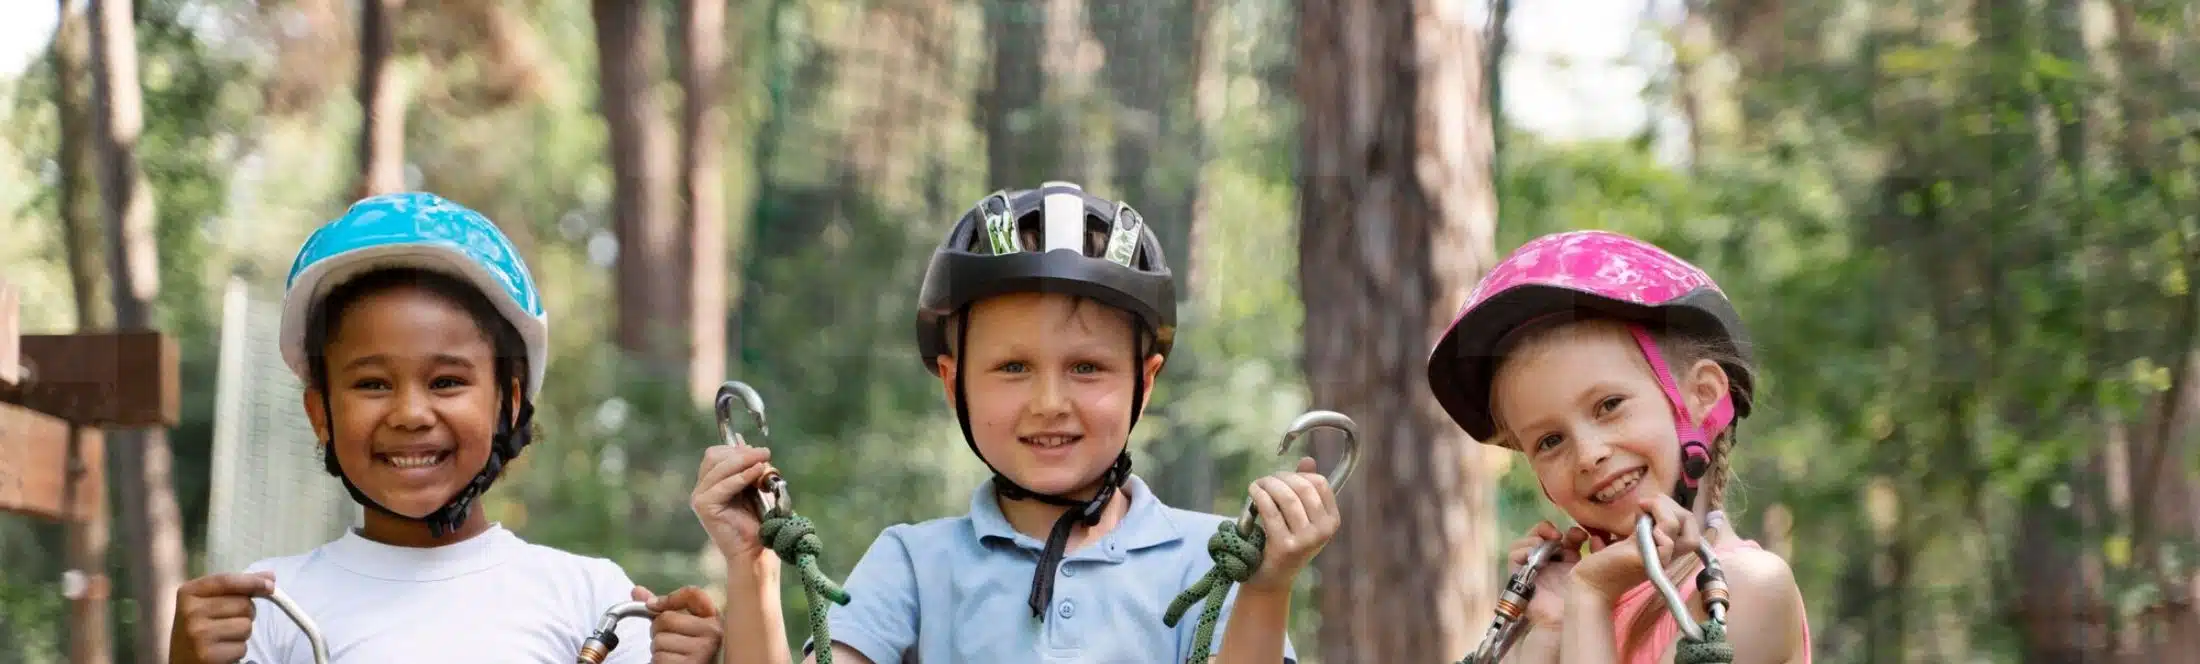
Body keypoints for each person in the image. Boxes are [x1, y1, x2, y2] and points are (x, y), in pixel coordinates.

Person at [693, 182, 1331, 663]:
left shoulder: (1212, 561)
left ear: (1146, 382)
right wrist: (752, 567)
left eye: (1086, 367)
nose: (1049, 401)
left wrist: (1267, 589)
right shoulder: (913, 565)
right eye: (1013, 367)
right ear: (954, 383)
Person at [167, 192, 724, 664]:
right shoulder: (266, 609)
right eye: (372, 384)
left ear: (508, 404)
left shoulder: (592, 601)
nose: (411, 413)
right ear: (321, 415)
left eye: (446, 382)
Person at [1424, 230, 1812, 663]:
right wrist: (1553, 626)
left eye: (1609, 405)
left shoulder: (1748, 591)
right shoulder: (1573, 609)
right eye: (1550, 440)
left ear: (1701, 394)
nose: (1588, 454)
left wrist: (1591, 596)